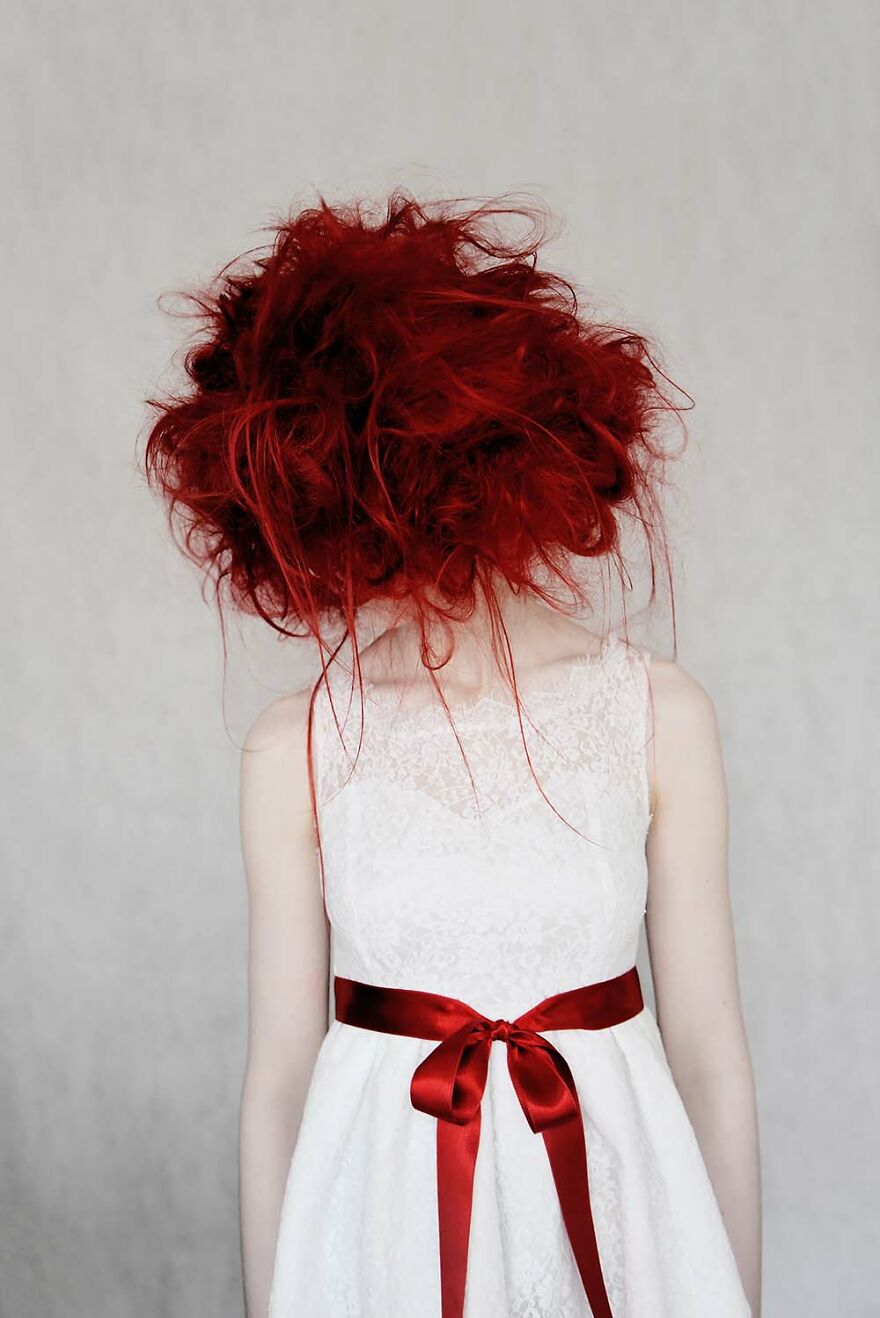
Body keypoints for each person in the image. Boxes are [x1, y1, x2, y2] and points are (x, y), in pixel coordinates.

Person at [141, 190, 762, 1317]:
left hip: (623, 1222)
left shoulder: (657, 715)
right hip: (378, 1226)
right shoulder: (302, 745)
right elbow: (279, 1077)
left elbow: (710, 1051)